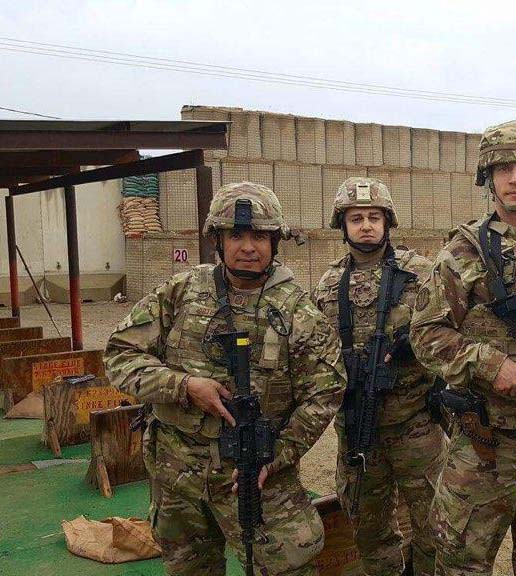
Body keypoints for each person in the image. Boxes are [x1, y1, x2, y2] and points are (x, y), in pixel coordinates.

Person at [105, 181, 344, 575]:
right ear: (217, 239)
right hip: (178, 475)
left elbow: (327, 391)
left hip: (258, 476)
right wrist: (183, 386)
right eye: (236, 235)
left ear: (274, 242)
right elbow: (119, 354)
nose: (248, 246)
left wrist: (279, 453)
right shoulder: (181, 292)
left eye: (258, 236)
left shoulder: (298, 312)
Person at [410, 120, 516, 576]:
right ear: (489, 178)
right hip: (485, 440)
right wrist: (489, 364)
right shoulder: (462, 253)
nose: (515, 178)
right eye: (504, 168)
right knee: (462, 559)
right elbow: (426, 335)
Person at [311, 176, 447, 576]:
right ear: (343, 226)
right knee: (368, 528)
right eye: (356, 218)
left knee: (434, 525)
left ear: (388, 222)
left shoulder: (421, 272)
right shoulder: (328, 284)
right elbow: (317, 353)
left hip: (415, 425)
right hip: (356, 426)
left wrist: (416, 343)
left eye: (373, 217)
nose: (366, 225)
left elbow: (448, 332)